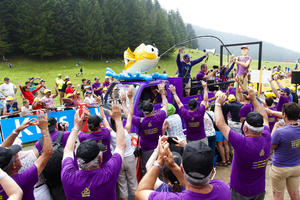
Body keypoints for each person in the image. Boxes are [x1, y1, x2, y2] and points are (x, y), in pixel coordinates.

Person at [61, 101, 126, 200]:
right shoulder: (109, 173)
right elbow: (120, 146)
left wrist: (77, 127)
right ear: (100, 159)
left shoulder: (68, 177)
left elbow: (68, 151)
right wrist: (117, 119)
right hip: (107, 163)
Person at [214, 87, 271, 200]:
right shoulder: (267, 136)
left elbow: (220, 123)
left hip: (240, 191)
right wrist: (254, 99)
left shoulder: (241, 142)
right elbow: (264, 117)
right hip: (259, 189)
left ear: (245, 129)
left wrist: (217, 103)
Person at [135, 137, 231, 200]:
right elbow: (193, 187)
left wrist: (160, 160)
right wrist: (173, 166)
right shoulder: (223, 189)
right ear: (212, 170)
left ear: (182, 169)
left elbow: (140, 192)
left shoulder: (172, 198)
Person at [0, 111, 53, 200]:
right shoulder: (23, 180)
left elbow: (2, 149)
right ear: (14, 165)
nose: (19, 156)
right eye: (17, 157)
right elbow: (47, 153)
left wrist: (16, 131)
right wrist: (45, 129)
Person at [106, 89, 137, 200]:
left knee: (122, 185)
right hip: (129, 158)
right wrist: (128, 99)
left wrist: (100, 106)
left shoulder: (110, 132)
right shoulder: (127, 129)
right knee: (133, 182)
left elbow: (104, 119)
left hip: (118, 159)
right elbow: (131, 114)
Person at [132, 82, 168, 176]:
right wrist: (162, 94)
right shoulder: (159, 117)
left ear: (143, 112)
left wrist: (125, 100)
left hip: (146, 151)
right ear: (153, 110)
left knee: (147, 171)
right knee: (159, 170)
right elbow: (165, 106)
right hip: (158, 149)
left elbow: (129, 115)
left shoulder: (139, 121)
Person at [35, 117, 70, 199]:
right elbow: (70, 149)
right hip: (66, 171)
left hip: (52, 178)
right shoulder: (66, 134)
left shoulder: (38, 143)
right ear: (56, 126)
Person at [270, 102, 300, 200]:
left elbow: (271, 146)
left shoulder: (279, 132)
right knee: (295, 195)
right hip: (296, 167)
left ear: (284, 115)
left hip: (280, 168)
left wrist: (275, 127)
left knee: (278, 196)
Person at [204, 102, 217, 167]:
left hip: (206, 135)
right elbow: (215, 121)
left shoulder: (201, 114)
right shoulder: (212, 113)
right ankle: (213, 166)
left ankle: (208, 167)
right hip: (213, 133)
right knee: (213, 150)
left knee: (206, 152)